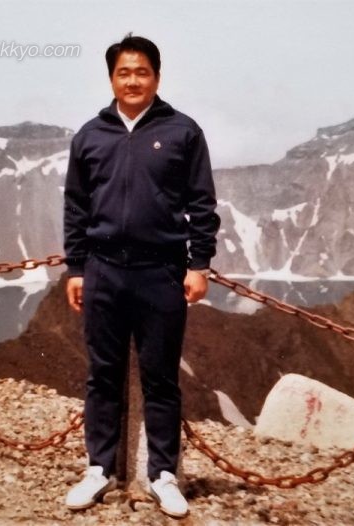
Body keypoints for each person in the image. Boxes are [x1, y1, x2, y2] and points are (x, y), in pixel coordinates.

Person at [62, 34, 220, 518]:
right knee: (103, 376)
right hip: (104, 271)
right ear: (111, 78)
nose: (132, 80)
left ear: (157, 76)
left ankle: (163, 476)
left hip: (161, 273)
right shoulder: (90, 136)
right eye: (123, 72)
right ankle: (99, 469)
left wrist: (199, 263)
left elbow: (202, 203)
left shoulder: (182, 132)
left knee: (161, 378)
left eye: (142, 71)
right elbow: (76, 206)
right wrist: (75, 267)